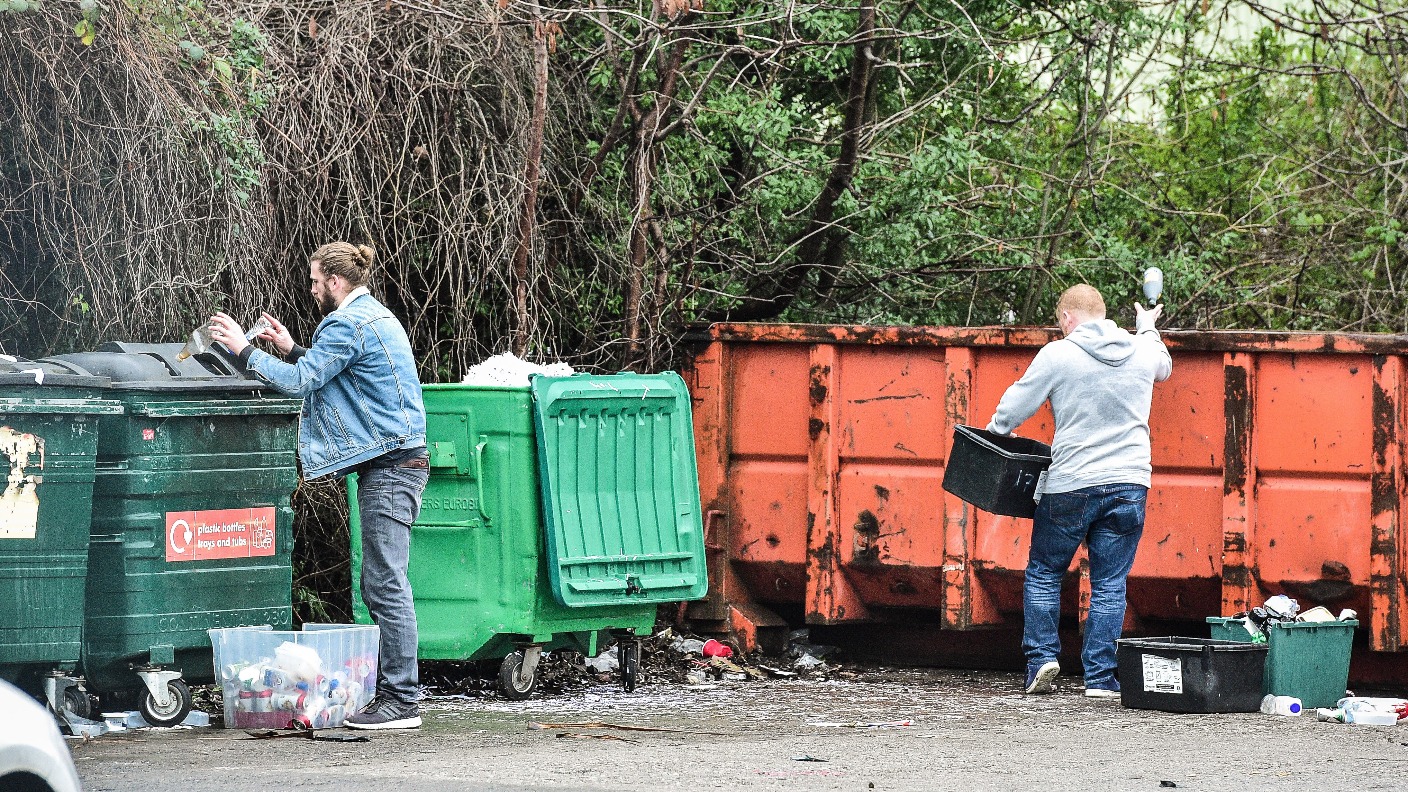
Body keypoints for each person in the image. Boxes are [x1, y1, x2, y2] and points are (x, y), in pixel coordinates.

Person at [208, 242, 429, 730]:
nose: (310, 291)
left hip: (393, 469)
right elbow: (335, 369)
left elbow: (303, 382)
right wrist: (289, 348)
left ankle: (401, 701)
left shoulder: (346, 322)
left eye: (314, 282)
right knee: (384, 582)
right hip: (396, 463)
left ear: (335, 281)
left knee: (385, 584)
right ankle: (401, 695)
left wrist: (243, 350)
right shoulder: (374, 317)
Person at [985, 284, 1171, 698]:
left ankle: (1042, 660)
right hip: (1129, 483)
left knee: (1045, 572)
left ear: (1068, 318)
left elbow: (1018, 403)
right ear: (1104, 314)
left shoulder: (1059, 353)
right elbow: (1163, 366)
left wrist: (995, 433)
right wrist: (1147, 327)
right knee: (1109, 583)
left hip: (1072, 484)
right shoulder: (1141, 350)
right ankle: (1101, 679)